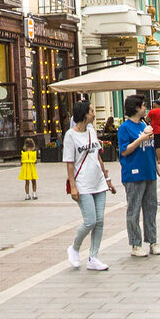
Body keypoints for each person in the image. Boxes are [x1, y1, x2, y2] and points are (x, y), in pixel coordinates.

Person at [64, 100, 116, 271]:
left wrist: (107, 179)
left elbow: (98, 156)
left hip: (99, 182)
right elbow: (70, 163)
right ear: (84, 114)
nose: (94, 113)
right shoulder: (70, 135)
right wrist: (73, 186)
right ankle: (75, 248)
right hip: (83, 183)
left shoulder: (92, 132)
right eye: (92, 111)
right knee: (90, 221)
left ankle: (93, 257)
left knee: (100, 221)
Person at [118, 94, 160, 257]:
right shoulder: (125, 128)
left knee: (151, 207)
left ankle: (153, 241)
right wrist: (142, 139)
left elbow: (150, 149)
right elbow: (124, 150)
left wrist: (158, 168)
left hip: (149, 171)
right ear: (136, 108)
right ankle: (135, 244)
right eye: (144, 105)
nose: (146, 108)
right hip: (134, 173)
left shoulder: (144, 124)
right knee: (134, 209)